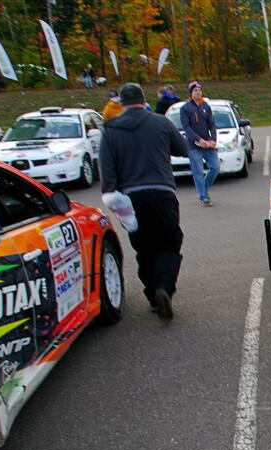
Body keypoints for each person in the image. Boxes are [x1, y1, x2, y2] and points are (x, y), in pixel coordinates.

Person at [99, 83, 189, 320]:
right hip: (163, 193)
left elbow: (107, 176)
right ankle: (164, 287)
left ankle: (152, 295)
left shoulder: (109, 130)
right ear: (143, 100)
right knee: (170, 242)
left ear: (121, 103)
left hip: (130, 199)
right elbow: (182, 149)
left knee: (144, 247)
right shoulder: (160, 122)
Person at [180, 80, 219, 206]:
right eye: (195, 91)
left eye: (199, 90)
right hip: (194, 146)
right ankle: (203, 196)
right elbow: (187, 128)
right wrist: (198, 140)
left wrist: (213, 139)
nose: (198, 93)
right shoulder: (186, 108)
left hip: (208, 144)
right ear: (191, 93)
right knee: (198, 172)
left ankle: (204, 189)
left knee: (215, 167)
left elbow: (212, 124)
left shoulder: (205, 106)